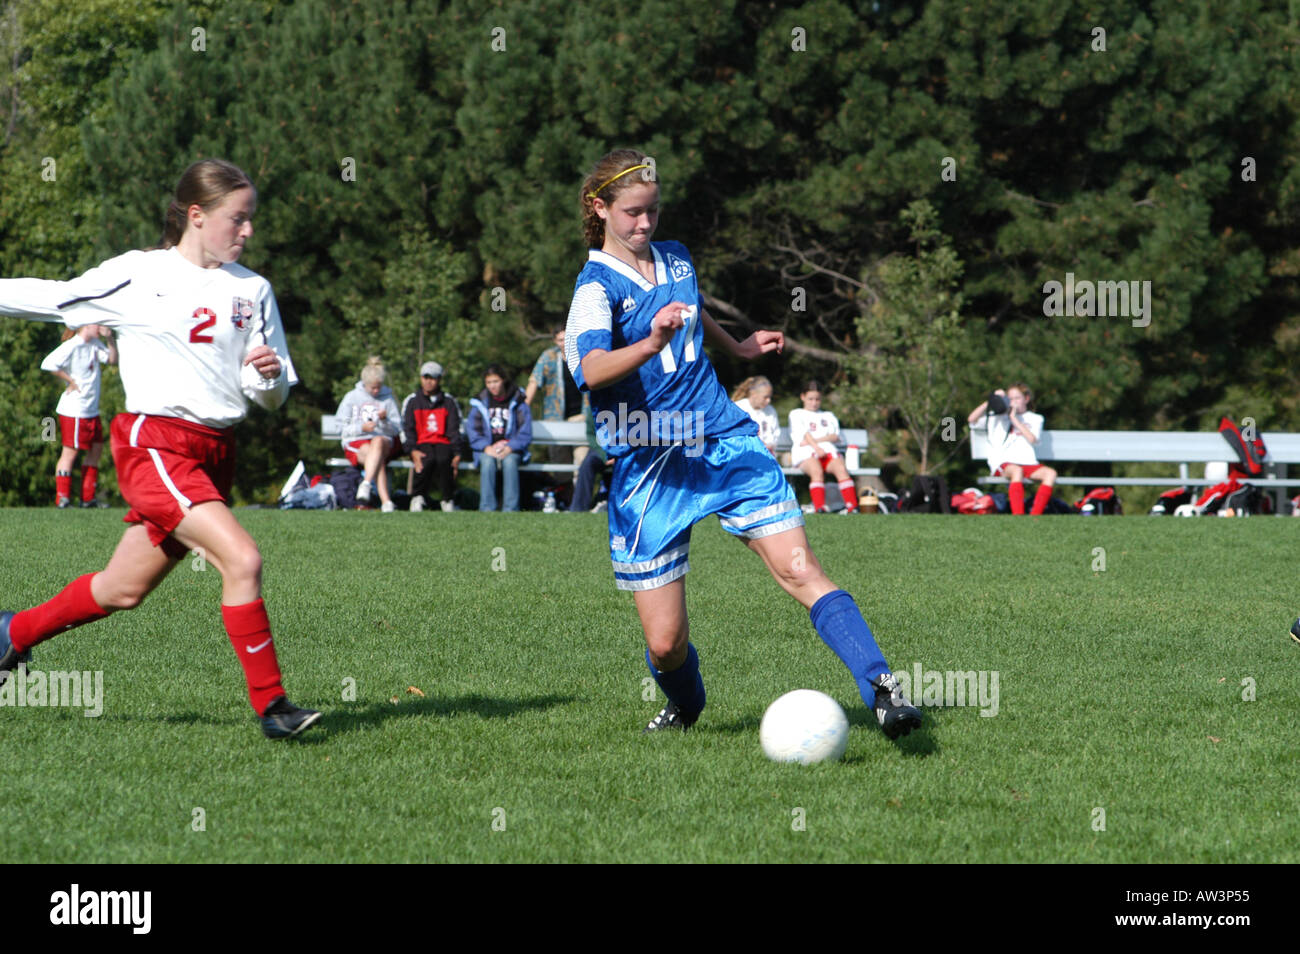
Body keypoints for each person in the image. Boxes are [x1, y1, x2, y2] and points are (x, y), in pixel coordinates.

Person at [566, 148, 920, 738]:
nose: (645, 224)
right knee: (665, 641)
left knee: (800, 570)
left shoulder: (676, 257)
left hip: (723, 440)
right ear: (599, 207)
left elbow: (688, 314)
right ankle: (685, 703)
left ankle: (884, 689)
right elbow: (592, 370)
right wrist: (650, 345)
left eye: (652, 211)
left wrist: (738, 348)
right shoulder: (593, 289)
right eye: (631, 213)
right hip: (649, 463)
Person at [0, 157, 319, 739]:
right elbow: (56, 297)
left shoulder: (253, 290)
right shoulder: (140, 275)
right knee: (243, 560)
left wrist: (268, 377)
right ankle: (274, 708)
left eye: (250, 221)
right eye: (238, 219)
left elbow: (267, 396)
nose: (247, 232)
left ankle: (10, 636)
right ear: (196, 216)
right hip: (155, 447)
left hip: (216, 452)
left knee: (120, 589)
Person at [41, 323, 117, 508]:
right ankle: (63, 498)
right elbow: (47, 364)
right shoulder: (72, 345)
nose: (99, 327)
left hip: (92, 409)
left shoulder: (96, 344)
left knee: (96, 449)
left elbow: (112, 360)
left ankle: (88, 498)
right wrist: (70, 380)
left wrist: (109, 338)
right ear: (85, 325)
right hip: (74, 409)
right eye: (96, 324)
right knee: (70, 452)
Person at [967, 383, 1057, 515]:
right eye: (1011, 399)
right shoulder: (997, 417)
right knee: (1017, 471)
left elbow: (1032, 439)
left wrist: (1014, 419)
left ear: (1026, 399)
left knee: (1050, 474)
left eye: (1017, 398)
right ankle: (1018, 516)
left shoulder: (1035, 418)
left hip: (1028, 462)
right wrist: (992, 401)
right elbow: (972, 419)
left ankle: (1035, 516)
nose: (1014, 402)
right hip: (1004, 463)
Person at [337, 356, 402, 512]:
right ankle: (386, 501)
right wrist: (362, 428)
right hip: (358, 442)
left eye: (379, 387)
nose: (376, 391)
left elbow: (397, 428)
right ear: (364, 384)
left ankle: (365, 484)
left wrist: (385, 420)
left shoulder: (388, 398)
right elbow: (341, 427)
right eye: (373, 388)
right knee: (376, 457)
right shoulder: (352, 397)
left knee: (378, 442)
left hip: (384, 441)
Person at [466, 364, 532, 512]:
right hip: (487, 449)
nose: (492, 386)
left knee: (509, 462)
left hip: (512, 449)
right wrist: (486, 447)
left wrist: (510, 447)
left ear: (503, 380)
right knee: (487, 462)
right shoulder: (480, 402)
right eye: (488, 382)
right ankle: (487, 508)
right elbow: (473, 430)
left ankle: (510, 509)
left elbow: (525, 431)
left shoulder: (518, 400)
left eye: (495, 381)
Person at [788, 381, 859, 514]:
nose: (814, 403)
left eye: (817, 399)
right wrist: (816, 447)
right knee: (816, 471)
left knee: (841, 469)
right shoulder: (796, 414)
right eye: (810, 399)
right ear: (802, 397)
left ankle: (852, 507)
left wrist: (816, 441)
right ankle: (819, 507)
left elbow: (834, 436)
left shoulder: (828, 416)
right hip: (806, 453)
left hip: (828, 451)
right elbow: (803, 434)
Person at [525, 324, 589, 468]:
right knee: (560, 467)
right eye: (560, 340)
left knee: (582, 463)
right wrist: (522, 408)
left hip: (580, 417)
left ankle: (579, 491)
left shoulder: (584, 356)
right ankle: (564, 490)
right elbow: (534, 381)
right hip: (556, 419)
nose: (564, 343)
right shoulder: (549, 357)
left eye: (567, 339)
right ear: (555, 341)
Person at [401, 360, 461, 512]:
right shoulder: (412, 401)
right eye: (425, 377)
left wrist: (457, 452)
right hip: (420, 442)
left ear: (439, 380)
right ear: (421, 378)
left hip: (443, 441)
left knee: (444, 458)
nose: (429, 381)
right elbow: (406, 428)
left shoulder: (448, 401)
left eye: (433, 378)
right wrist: (411, 449)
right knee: (425, 459)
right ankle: (417, 497)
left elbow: (455, 428)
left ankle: (447, 499)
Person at [731, 375, 780, 456]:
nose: (768, 400)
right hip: (743, 454)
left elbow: (775, 435)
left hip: (767, 454)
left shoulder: (770, 411)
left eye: (770, 397)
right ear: (754, 394)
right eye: (765, 397)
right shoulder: (739, 408)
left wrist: (769, 445)